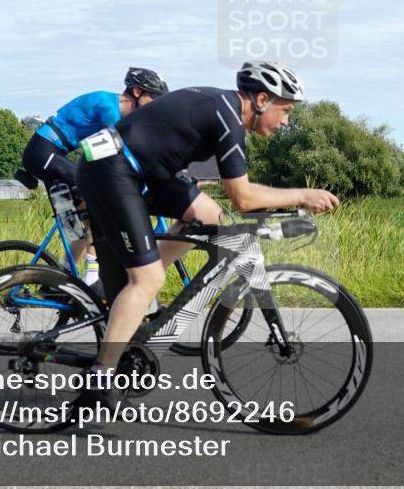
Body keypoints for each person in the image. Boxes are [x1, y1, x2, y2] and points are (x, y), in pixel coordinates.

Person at [75, 61, 339, 399]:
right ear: (261, 100)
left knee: (210, 216)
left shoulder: (225, 112)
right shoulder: (227, 116)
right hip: (109, 168)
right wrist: (302, 194)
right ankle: (101, 376)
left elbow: (224, 191)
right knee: (149, 278)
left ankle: (139, 298)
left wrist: (286, 206)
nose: (287, 121)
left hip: (138, 169)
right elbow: (243, 197)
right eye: (285, 110)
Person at [21, 68, 168, 283]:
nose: (156, 104)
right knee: (98, 202)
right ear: (137, 92)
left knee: (83, 220)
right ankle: (92, 276)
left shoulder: (122, 112)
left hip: (55, 153)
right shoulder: (109, 108)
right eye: (153, 97)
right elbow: (124, 150)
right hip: (42, 152)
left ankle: (62, 277)